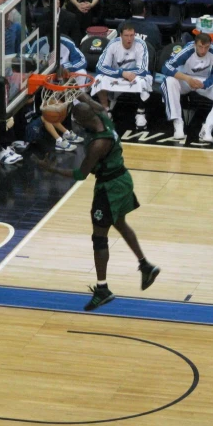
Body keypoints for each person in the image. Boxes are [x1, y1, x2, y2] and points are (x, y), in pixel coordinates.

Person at [35, 95, 160, 312]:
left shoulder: (98, 144)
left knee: (99, 237)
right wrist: (76, 91)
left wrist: (51, 169)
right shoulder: (103, 116)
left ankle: (103, 289)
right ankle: (145, 265)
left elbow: (80, 174)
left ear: (82, 122)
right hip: (122, 179)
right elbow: (94, 104)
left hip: (109, 188)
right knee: (120, 223)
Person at [161, 33, 213, 143]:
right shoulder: (188, 50)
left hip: (204, 81)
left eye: (206, 47)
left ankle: (208, 127)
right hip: (185, 79)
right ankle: (178, 122)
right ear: (195, 45)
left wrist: (204, 84)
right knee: (169, 80)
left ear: (210, 45)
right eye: (200, 47)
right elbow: (166, 67)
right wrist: (186, 78)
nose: (203, 50)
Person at [93, 23, 153, 127]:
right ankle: (106, 111)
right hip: (118, 74)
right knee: (99, 79)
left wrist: (129, 74)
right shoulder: (113, 44)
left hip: (134, 76)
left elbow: (143, 70)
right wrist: (121, 73)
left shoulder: (141, 44)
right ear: (120, 36)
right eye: (126, 35)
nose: (129, 39)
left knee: (143, 81)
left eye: (132, 35)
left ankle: (140, 112)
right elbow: (100, 67)